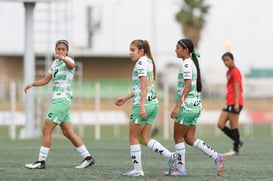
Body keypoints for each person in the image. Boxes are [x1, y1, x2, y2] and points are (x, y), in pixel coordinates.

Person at [24, 40, 95, 169]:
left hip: (62, 100)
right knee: (68, 132)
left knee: (46, 128)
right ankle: (88, 158)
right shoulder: (55, 63)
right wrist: (33, 84)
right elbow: (46, 79)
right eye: (58, 49)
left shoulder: (68, 60)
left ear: (67, 51)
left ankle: (41, 161)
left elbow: (71, 65)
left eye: (63, 49)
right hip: (59, 100)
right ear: (55, 50)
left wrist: (64, 58)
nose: (60, 51)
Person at [115, 39, 177, 177]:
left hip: (144, 104)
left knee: (133, 136)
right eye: (130, 50)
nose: (130, 53)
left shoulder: (141, 62)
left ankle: (137, 170)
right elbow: (140, 86)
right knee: (144, 138)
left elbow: (144, 86)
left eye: (133, 50)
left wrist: (141, 106)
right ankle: (171, 156)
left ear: (141, 51)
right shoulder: (148, 61)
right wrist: (125, 97)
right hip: (153, 104)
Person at [168, 39, 225, 176]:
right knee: (189, 138)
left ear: (186, 50)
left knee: (178, 137)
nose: (175, 50)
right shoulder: (191, 64)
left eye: (178, 48)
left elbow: (187, 86)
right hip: (195, 105)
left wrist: (177, 106)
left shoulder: (187, 64)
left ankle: (180, 170)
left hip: (186, 107)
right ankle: (216, 156)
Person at [217, 52, 244, 156]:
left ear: (233, 59)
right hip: (229, 102)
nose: (226, 62)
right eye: (224, 61)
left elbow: (237, 87)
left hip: (236, 102)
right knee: (220, 124)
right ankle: (237, 140)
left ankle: (235, 149)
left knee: (233, 125)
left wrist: (236, 103)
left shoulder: (235, 71)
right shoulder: (228, 72)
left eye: (228, 60)